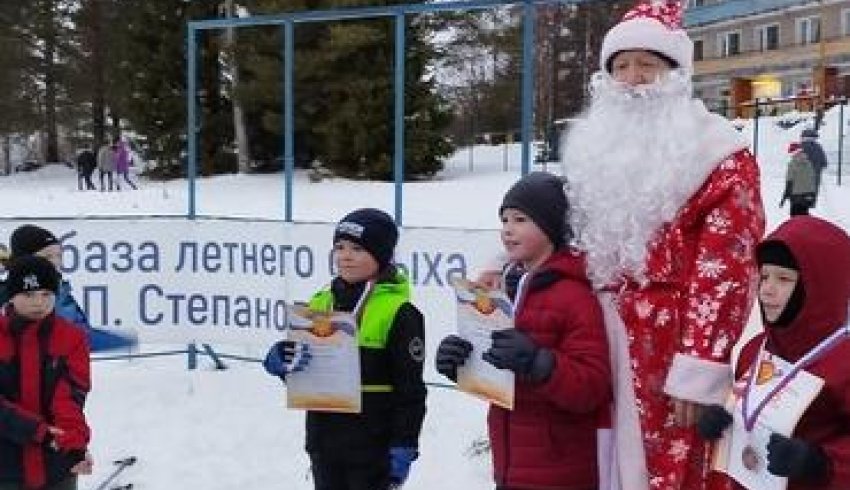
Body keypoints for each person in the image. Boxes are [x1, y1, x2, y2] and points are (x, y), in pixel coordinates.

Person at [557, 1, 766, 489]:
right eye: (621, 66)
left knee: (667, 474)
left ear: (675, 72)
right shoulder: (593, 152)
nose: (631, 78)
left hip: (670, 355)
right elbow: (565, 240)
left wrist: (699, 367)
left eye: (647, 65)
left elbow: (727, 271)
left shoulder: (717, 156)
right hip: (594, 345)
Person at [436, 172, 612, 490]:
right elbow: (499, 377)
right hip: (511, 466)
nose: (507, 229)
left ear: (551, 226)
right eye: (504, 219)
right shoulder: (502, 290)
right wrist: (462, 362)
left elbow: (592, 387)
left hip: (561, 472)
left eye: (520, 219)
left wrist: (538, 363)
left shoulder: (574, 295)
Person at [262, 208, 426, 490]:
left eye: (357, 249)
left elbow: (410, 389)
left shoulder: (400, 311)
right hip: (324, 442)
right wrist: (284, 361)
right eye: (339, 247)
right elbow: (310, 372)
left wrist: (404, 444)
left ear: (381, 255)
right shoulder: (321, 301)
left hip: (373, 446)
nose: (345, 256)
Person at [697, 215, 850, 489]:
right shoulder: (756, 350)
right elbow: (749, 409)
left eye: (783, 278)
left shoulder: (843, 361)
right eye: (764, 276)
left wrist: (821, 463)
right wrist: (721, 421)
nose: (766, 290)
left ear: (819, 286)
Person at [0, 255, 93, 489]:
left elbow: (71, 396)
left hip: (57, 467)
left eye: (46, 294)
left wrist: (74, 444)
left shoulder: (72, 338)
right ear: (11, 296)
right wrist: (39, 432)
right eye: (28, 295)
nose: (38, 303)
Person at [1, 224, 135, 352]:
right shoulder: (17, 296)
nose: (55, 262)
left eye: (59, 255)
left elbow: (80, 331)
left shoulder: (59, 290)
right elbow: (69, 337)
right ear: (25, 260)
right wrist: (122, 342)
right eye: (47, 256)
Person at [781, 142, 817, 217]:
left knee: (794, 217)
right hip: (808, 195)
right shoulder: (809, 163)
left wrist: (785, 196)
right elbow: (813, 179)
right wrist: (812, 194)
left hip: (796, 196)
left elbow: (789, 182)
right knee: (804, 215)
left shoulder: (793, 163)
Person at [800, 128, 828, 204]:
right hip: (816, 172)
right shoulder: (818, 147)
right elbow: (824, 161)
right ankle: (811, 202)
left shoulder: (801, 147)